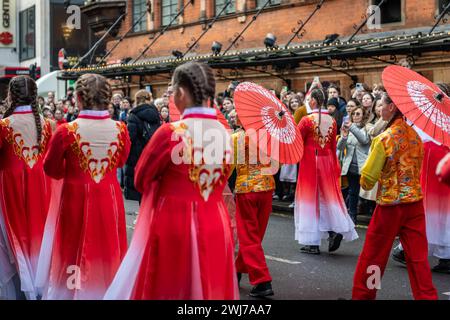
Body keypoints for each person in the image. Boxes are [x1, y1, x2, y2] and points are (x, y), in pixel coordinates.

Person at [105, 62, 238, 300]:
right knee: (210, 289)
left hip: (175, 221)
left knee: (170, 288)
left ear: (181, 92)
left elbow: (141, 178)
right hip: (217, 222)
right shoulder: (226, 134)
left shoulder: (170, 133)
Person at [37, 74, 131, 300]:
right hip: (109, 197)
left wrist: (71, 174)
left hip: (74, 196)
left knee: (71, 247)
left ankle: (71, 292)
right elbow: (121, 161)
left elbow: (50, 167)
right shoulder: (120, 129)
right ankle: (106, 291)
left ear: (78, 98)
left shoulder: (66, 131)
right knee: (108, 248)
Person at [352, 92, 437, 300]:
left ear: (392, 108)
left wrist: (376, 176)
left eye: (382, 105)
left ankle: (365, 295)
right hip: (415, 204)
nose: (379, 109)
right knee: (418, 258)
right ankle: (427, 296)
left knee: (374, 256)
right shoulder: (416, 137)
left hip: (390, 206)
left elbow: (367, 180)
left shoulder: (384, 138)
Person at [0, 76, 52, 299]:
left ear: (10, 96)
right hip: (42, 187)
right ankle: (39, 283)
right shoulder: (48, 124)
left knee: (12, 239)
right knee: (38, 235)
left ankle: (22, 284)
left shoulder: (4, 126)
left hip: (9, 189)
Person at [294, 89, 358, 255]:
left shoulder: (306, 120)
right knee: (327, 199)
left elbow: (296, 140)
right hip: (327, 161)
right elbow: (332, 146)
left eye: (309, 99)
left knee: (310, 200)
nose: (308, 102)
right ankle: (333, 230)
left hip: (310, 162)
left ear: (314, 101)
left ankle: (312, 242)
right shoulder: (332, 120)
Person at [233, 109, 276, 298]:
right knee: (255, 235)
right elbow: (277, 165)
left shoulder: (237, 138)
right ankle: (236, 270)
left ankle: (262, 280)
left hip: (246, 189)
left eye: (237, 114)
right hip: (267, 188)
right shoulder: (268, 137)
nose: (234, 116)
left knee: (248, 236)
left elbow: (229, 165)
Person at [124, 90, 161, 202]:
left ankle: (141, 216)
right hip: (152, 154)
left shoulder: (133, 115)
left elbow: (131, 137)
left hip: (137, 155)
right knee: (150, 188)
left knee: (138, 186)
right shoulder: (155, 114)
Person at [337, 107, 372, 223]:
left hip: (363, 166)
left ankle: (368, 211)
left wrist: (351, 127)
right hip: (350, 167)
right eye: (354, 114)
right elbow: (340, 147)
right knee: (352, 192)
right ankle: (352, 215)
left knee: (363, 192)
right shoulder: (348, 129)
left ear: (363, 116)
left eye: (358, 114)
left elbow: (363, 140)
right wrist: (344, 136)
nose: (356, 116)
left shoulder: (367, 128)